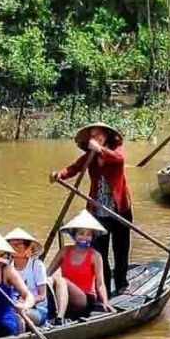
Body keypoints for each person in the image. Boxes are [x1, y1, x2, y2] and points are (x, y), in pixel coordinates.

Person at [49, 122, 132, 297]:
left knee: (121, 248)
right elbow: (73, 168)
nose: (96, 139)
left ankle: (122, 283)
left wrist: (100, 150)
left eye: (99, 135)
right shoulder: (90, 157)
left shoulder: (115, 151)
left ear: (106, 137)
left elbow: (120, 159)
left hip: (119, 209)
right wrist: (59, 174)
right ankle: (105, 290)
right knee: (100, 252)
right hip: (98, 211)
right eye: (92, 136)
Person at [49, 210, 116, 323]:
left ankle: (59, 317)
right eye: (81, 233)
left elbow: (100, 283)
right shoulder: (64, 251)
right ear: (74, 235)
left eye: (89, 234)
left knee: (62, 280)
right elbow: (48, 273)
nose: (84, 237)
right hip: (65, 296)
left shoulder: (95, 255)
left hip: (85, 299)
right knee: (50, 279)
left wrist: (105, 302)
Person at [5, 227, 50, 327]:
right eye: (11, 245)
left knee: (16, 314)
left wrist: (25, 303)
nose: (13, 248)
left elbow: (42, 296)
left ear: (29, 248)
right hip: (14, 307)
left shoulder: (37, 265)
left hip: (37, 310)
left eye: (18, 245)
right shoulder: (7, 267)